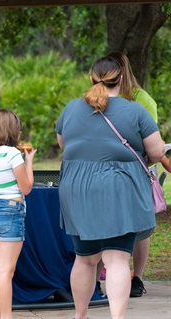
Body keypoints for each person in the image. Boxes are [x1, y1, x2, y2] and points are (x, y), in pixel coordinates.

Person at [55, 56, 165, 319]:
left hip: (76, 189)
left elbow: (62, 144)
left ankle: (80, 316)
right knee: (116, 259)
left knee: (84, 258)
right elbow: (158, 150)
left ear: (92, 79)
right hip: (119, 188)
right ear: (122, 80)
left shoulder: (71, 109)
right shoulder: (136, 111)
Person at [103, 51, 159, 298]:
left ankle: (137, 277)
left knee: (140, 228)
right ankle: (115, 274)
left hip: (138, 167)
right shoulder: (98, 98)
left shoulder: (142, 99)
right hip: (108, 169)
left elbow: (152, 142)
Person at [0, 109, 36, 319]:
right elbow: (26, 187)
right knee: (5, 272)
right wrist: (29, 161)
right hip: (10, 211)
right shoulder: (12, 154)